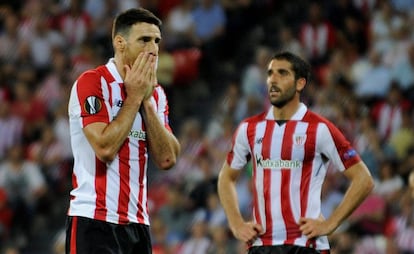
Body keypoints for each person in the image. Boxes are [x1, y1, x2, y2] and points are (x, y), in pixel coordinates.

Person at [217, 51, 374, 253]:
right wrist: (236, 224)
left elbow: (363, 179)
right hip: (261, 245)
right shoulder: (249, 129)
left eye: (282, 73)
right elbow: (225, 177)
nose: (273, 79)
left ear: (300, 83)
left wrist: (331, 223)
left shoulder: (319, 128)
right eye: (270, 73)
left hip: (305, 244)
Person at [65, 8, 180, 254]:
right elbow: (105, 148)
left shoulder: (156, 94)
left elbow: (168, 158)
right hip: (93, 220)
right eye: (144, 40)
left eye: (157, 41)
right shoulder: (93, 82)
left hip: (138, 224)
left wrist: (146, 102)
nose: (154, 48)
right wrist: (134, 98)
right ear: (120, 43)